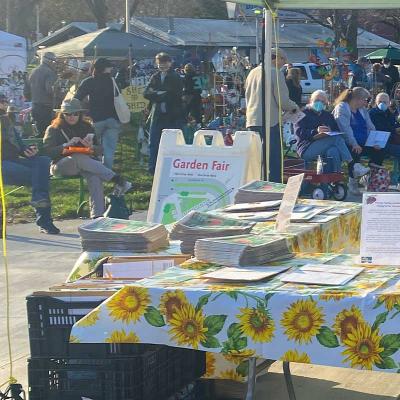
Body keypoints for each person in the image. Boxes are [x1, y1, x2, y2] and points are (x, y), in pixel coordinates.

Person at [42, 99, 131, 219]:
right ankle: (117, 179)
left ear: (80, 114)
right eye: (67, 114)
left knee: (94, 176)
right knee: (78, 157)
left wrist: (91, 146)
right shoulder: (53, 129)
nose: (71, 117)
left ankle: (97, 216)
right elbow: (47, 152)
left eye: (75, 114)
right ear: (62, 114)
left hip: (86, 164)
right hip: (60, 166)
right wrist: (66, 145)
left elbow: (100, 150)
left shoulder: (87, 127)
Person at [1, 103, 59, 234]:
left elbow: (19, 144)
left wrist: (27, 150)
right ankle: (45, 221)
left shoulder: (5, 121)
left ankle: (39, 200)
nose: (3, 108)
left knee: (42, 162)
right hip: (2, 163)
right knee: (39, 176)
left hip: (13, 160)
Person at [245, 48, 299, 182]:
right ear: (276, 58)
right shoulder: (275, 73)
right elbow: (283, 100)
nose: (284, 64)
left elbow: (246, 95)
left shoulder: (252, 72)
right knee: (274, 160)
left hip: (252, 120)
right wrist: (295, 108)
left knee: (256, 159)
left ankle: (255, 185)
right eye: (283, 60)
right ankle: (274, 189)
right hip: (270, 122)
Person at [333, 87, 383, 195]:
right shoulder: (342, 108)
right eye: (366, 100)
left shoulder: (363, 110)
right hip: (346, 142)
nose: (367, 102)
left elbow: (370, 126)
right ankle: (352, 184)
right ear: (357, 99)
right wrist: (354, 143)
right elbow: (345, 129)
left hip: (363, 141)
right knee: (355, 150)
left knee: (379, 151)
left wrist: (375, 141)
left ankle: (367, 178)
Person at [75, 58, 121, 169]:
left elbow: (77, 98)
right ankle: (107, 172)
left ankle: (94, 169)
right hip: (113, 118)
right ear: (105, 68)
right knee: (109, 148)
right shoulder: (113, 81)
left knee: (92, 147)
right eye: (109, 66)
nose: (111, 68)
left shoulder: (89, 81)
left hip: (95, 119)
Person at [295, 90, 356, 173]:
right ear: (310, 101)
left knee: (333, 151)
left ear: (326, 103)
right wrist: (316, 131)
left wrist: (330, 131)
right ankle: (352, 164)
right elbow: (299, 132)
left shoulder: (327, 115)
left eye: (322, 101)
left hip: (325, 145)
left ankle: (335, 180)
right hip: (306, 148)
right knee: (336, 139)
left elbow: (337, 130)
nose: (319, 103)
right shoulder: (302, 114)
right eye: (316, 100)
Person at [144, 53, 183, 175]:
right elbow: (146, 93)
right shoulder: (155, 77)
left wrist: (156, 94)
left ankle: (171, 167)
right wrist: (159, 94)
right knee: (153, 142)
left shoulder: (175, 77)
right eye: (160, 64)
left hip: (172, 114)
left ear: (170, 63)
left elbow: (174, 95)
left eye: (165, 63)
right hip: (157, 113)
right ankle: (153, 168)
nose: (162, 66)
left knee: (171, 142)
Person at [24, 52, 57, 136]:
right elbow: (49, 89)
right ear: (51, 61)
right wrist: (58, 94)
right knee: (48, 133)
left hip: (35, 106)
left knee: (39, 133)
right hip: (46, 107)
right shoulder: (49, 72)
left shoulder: (32, 72)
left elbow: (26, 92)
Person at [369, 92, 400, 159]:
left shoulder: (390, 114)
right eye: (380, 101)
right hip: (378, 142)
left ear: (389, 103)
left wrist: (397, 128)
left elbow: (394, 126)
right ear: (376, 102)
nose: (382, 104)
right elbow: (380, 129)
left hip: (390, 140)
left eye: (384, 102)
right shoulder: (372, 114)